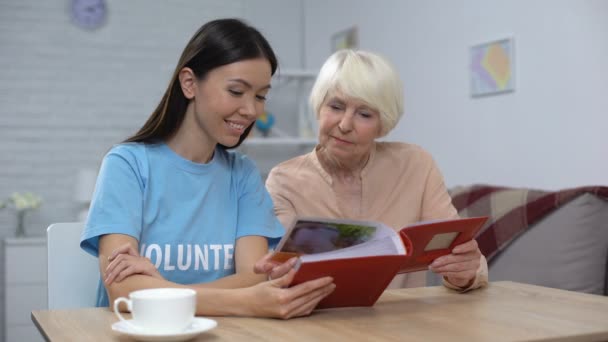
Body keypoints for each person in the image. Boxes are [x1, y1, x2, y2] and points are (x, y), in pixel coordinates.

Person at [80, 18, 334, 319]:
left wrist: (159, 289)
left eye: (261, 95)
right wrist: (245, 301)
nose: (252, 110)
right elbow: (122, 293)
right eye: (237, 91)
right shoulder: (127, 165)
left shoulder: (242, 174)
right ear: (189, 83)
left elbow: (253, 278)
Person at [265, 50, 488, 291]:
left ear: (383, 124)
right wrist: (277, 274)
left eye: (364, 114)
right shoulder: (284, 180)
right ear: (319, 106)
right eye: (336, 106)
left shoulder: (416, 165)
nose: (344, 125)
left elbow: (463, 254)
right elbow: (276, 272)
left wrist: (464, 273)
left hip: (403, 323)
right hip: (316, 318)